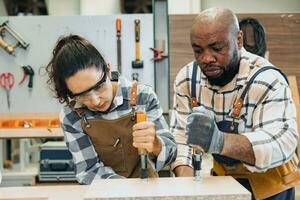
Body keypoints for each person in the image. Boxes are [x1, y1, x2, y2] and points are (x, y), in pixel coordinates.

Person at [170, 7, 300, 200]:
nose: (206, 58)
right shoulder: (188, 80)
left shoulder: (266, 79)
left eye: (217, 48)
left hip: (271, 185)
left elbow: (280, 143)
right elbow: (181, 140)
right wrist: (189, 189)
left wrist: (220, 141)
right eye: (198, 50)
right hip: (225, 183)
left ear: (238, 40)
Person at [46, 34, 177, 184]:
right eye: (82, 95)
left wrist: (156, 144)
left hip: (147, 192)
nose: (95, 100)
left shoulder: (142, 97)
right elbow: (89, 171)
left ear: (108, 71)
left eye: (98, 87)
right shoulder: (71, 116)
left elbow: (171, 156)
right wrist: (126, 191)